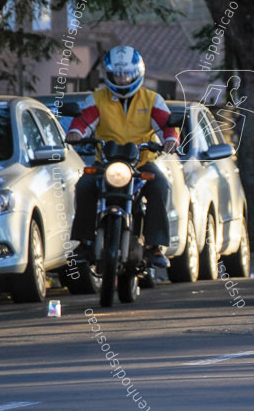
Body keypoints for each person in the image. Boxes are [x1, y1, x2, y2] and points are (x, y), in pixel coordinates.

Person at [66, 47, 179, 277]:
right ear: (108, 74)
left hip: (140, 163)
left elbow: (168, 124)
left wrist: (170, 139)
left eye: (126, 73)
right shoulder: (96, 99)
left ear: (137, 73)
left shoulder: (152, 99)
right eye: (117, 74)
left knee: (160, 186)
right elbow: (82, 121)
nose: (122, 78)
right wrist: (76, 134)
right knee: (84, 185)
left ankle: (154, 246)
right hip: (105, 163)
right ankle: (84, 242)